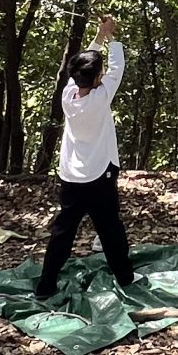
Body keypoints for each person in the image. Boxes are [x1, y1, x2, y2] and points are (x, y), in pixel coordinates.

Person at [39, 15, 134, 297]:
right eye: (99, 73)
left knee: (63, 231)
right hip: (99, 177)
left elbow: (81, 68)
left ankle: (46, 283)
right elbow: (118, 67)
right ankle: (126, 278)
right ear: (96, 79)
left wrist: (99, 36)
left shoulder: (68, 96)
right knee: (109, 229)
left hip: (71, 176)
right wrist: (111, 36)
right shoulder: (100, 97)